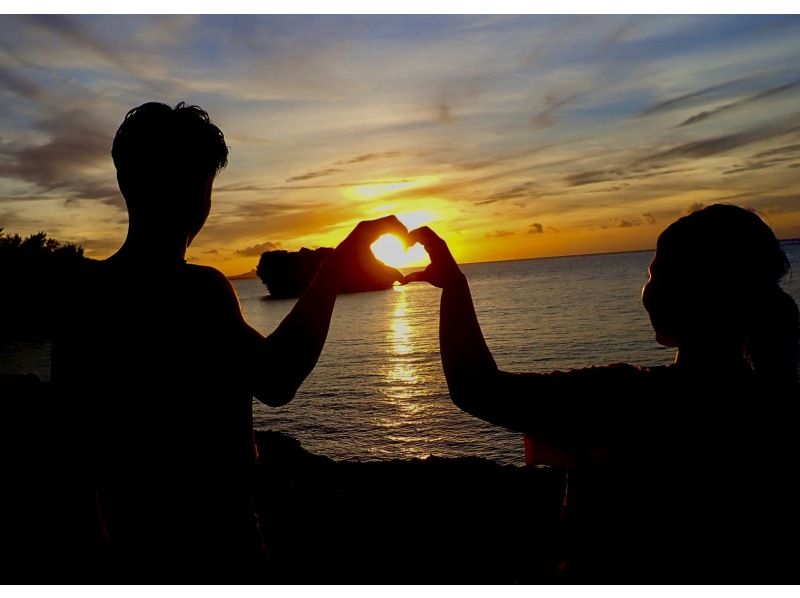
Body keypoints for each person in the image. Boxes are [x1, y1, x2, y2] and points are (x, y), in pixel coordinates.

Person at [54, 102, 408, 579]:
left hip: (132, 543)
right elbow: (278, 379)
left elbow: (70, 454)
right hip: (217, 546)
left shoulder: (84, 296)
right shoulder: (198, 291)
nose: (196, 199)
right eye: (196, 181)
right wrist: (336, 266)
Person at [407, 204, 799, 581]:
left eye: (657, 274)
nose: (647, 290)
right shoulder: (775, 406)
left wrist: (454, 286)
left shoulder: (626, 399)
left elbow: (476, 388)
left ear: (698, 292)